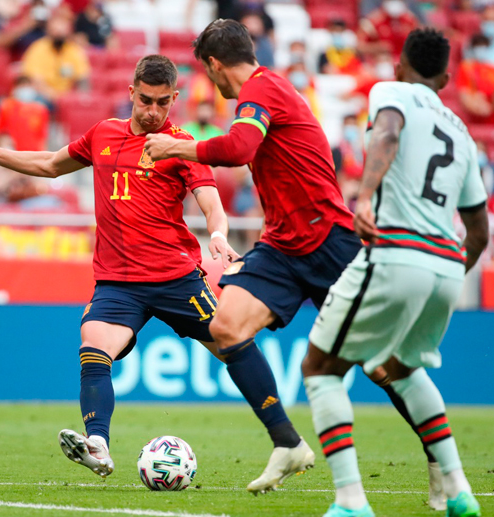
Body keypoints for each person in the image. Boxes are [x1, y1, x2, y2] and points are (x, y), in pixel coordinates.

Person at [0, 55, 313, 483]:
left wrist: (218, 234)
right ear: (131, 93)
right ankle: (98, 444)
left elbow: (211, 202)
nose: (153, 111)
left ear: (175, 99)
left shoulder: (180, 145)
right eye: (146, 100)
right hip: (118, 283)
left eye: (162, 103)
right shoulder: (103, 134)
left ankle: (287, 440)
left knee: (234, 343)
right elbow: (50, 165)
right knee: (94, 344)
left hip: (176, 278)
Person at [144, 20, 447, 498]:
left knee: (380, 363)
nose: (212, 82)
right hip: (283, 245)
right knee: (226, 327)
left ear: (215, 65)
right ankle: (287, 443)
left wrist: (174, 147)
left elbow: (240, 148)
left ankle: (440, 460)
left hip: (328, 239)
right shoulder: (261, 95)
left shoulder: (263, 89)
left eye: (208, 72)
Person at [301, 28, 488, 517]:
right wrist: (447, 272)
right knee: (402, 369)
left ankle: (350, 501)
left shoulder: (392, 92)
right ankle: (459, 492)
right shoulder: (463, 133)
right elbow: (479, 232)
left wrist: (364, 196)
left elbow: (386, 132)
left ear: (401, 65)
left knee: (320, 369)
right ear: (446, 78)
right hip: (447, 267)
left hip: (397, 251)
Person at [21, 10, 90, 101]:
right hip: (43, 95)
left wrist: (81, 97)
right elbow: (35, 80)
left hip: (66, 97)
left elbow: (83, 78)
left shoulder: (74, 50)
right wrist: (56, 97)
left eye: (62, 32)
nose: (59, 35)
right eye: (56, 31)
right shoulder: (38, 48)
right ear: (49, 31)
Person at [0, 76, 50, 151]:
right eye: (21, 85)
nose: (25, 88)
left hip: (34, 153)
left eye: (27, 85)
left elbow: (43, 137)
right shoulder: (6, 106)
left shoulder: (41, 110)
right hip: (13, 152)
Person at [457, 34, 494, 124]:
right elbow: (464, 92)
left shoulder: (490, 68)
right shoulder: (467, 66)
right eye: (479, 46)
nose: (481, 50)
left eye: (484, 47)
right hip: (477, 106)